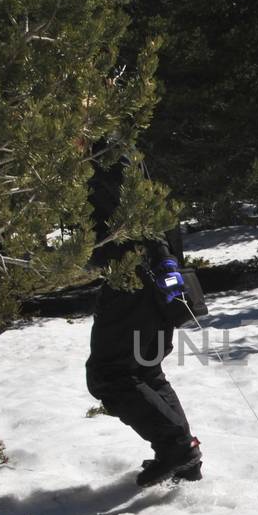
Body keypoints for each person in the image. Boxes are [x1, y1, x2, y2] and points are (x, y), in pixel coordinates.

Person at [85, 161, 202, 487]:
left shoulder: (106, 153)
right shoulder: (119, 147)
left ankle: (176, 447)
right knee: (145, 370)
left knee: (110, 375)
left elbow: (145, 212)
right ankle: (184, 455)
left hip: (135, 281)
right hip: (151, 277)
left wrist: (163, 259)